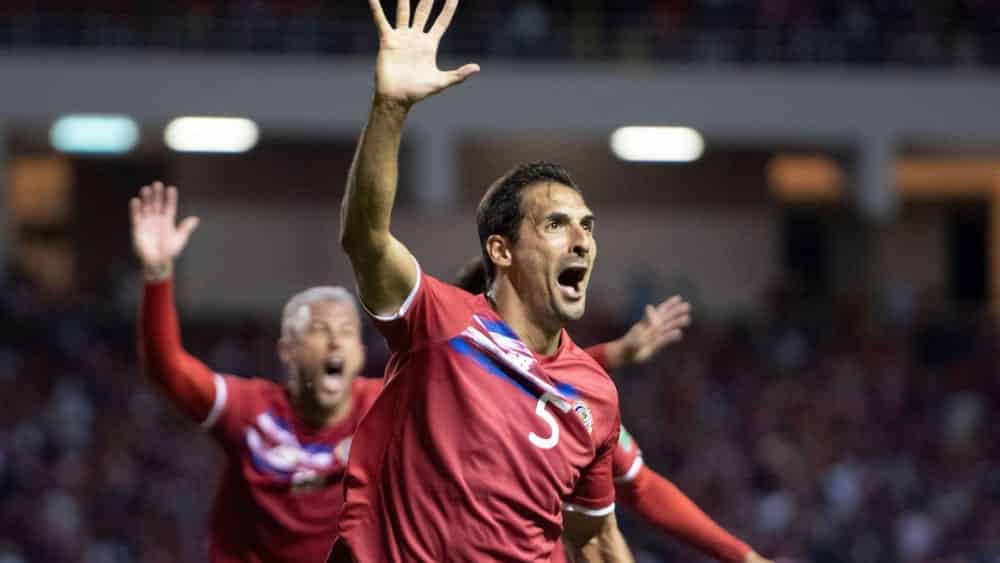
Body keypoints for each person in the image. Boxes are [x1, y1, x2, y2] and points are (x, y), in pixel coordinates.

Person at [333, 0, 631, 559]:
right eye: (556, 224)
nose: (582, 240)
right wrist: (390, 109)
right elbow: (366, 240)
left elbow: (591, 535)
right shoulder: (441, 323)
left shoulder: (596, 394)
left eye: (587, 226)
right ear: (501, 250)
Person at [456, 259, 774, 563]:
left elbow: (641, 487)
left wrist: (743, 556)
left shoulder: (573, 405)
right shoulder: (444, 397)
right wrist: (612, 354)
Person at [130, 182, 382, 563]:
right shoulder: (250, 411)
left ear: (360, 355)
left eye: (346, 332)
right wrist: (157, 271)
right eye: (318, 330)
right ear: (287, 351)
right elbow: (166, 368)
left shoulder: (385, 409)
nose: (334, 342)